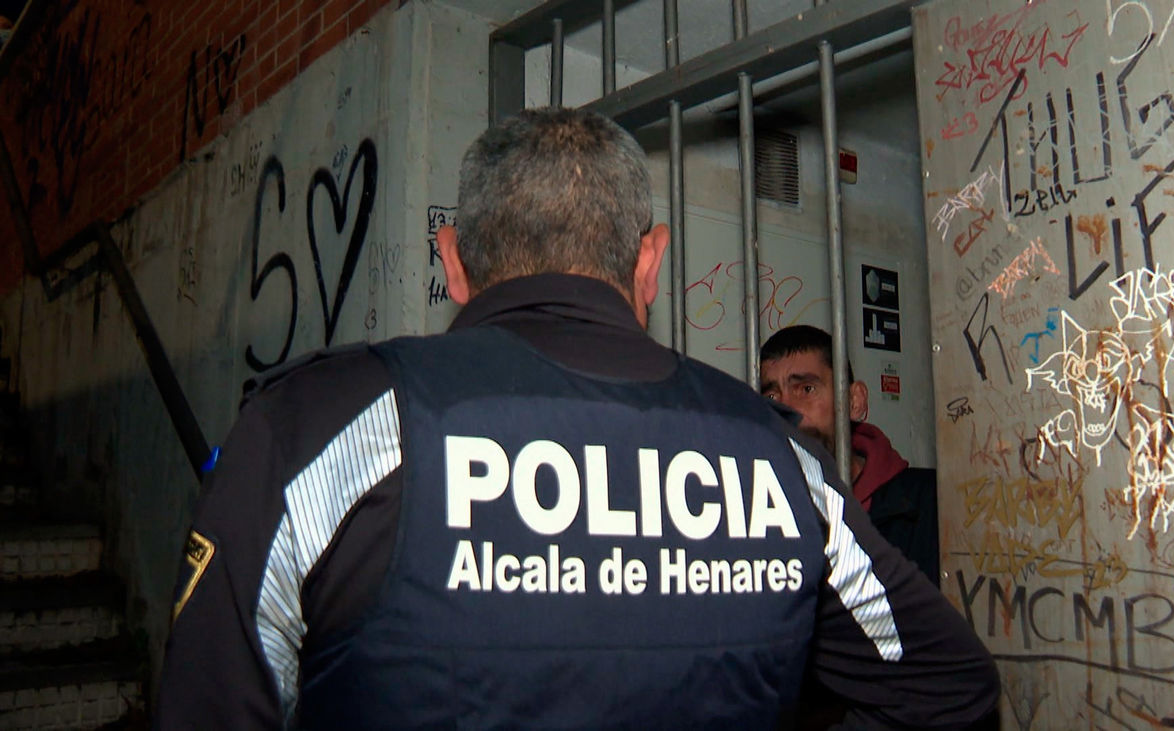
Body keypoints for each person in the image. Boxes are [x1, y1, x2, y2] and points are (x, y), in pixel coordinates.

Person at [157, 107, 997, 729]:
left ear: (452, 261)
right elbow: (950, 683)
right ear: (651, 261)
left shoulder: (318, 430)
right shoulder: (780, 458)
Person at [760, 325, 940, 586]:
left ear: (854, 401)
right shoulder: (757, 516)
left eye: (807, 389)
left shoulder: (929, 503)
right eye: (772, 396)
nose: (787, 411)